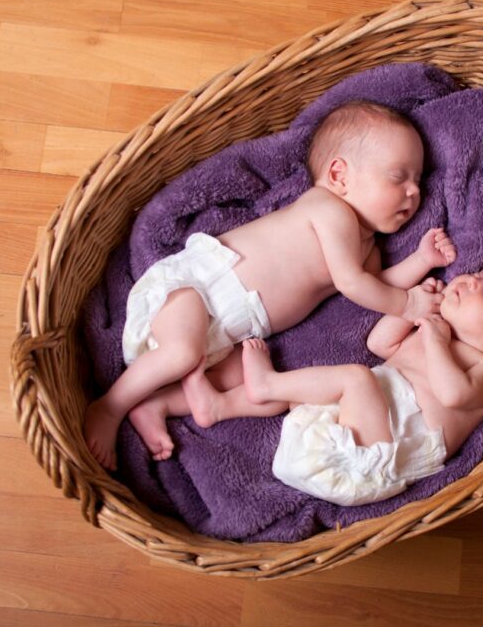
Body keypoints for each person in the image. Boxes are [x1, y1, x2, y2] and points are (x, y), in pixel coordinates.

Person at [85, 100, 456, 469]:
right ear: (340, 176)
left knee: (261, 387)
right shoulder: (329, 210)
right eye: (398, 177)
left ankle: (158, 403)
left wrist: (421, 261)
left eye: (418, 181)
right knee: (181, 353)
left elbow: (374, 286)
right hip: (200, 289)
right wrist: (407, 305)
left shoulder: (366, 248)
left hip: (227, 333)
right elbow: (353, 284)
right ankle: (110, 406)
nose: (413, 192)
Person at [128, 260, 483, 506]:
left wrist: (434, 338)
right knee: (339, 384)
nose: (474, 280)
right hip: (356, 425)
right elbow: (380, 344)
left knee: (355, 380)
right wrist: (411, 310)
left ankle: (267, 385)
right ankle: (213, 406)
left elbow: (453, 394)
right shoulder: (435, 332)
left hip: (379, 459)